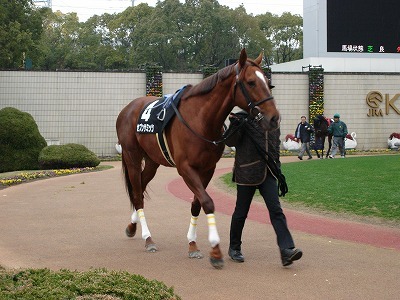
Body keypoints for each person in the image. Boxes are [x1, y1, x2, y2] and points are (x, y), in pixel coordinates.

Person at [224, 111, 302, 267]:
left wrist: (277, 168)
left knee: (276, 211)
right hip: (247, 172)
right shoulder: (242, 118)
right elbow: (230, 141)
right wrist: (235, 124)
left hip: (268, 172)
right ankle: (234, 247)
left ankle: (286, 250)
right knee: (241, 213)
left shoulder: (273, 118)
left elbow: (275, 145)